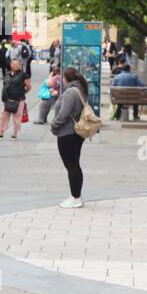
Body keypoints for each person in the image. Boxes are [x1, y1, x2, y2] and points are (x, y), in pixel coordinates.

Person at [49, 67, 90, 209]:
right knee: (74, 165)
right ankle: (76, 195)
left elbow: (63, 114)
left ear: (67, 79)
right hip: (76, 134)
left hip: (67, 133)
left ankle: (76, 198)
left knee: (71, 166)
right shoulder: (80, 90)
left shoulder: (70, 92)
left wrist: (54, 126)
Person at [0, 59, 32, 138]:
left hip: (18, 100)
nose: (15, 65)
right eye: (14, 64)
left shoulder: (23, 74)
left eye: (17, 64)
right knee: (3, 116)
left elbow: (29, 87)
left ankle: (15, 133)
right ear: (10, 65)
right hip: (7, 99)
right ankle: (1, 131)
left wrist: (22, 93)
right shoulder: (8, 74)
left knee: (16, 117)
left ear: (19, 65)